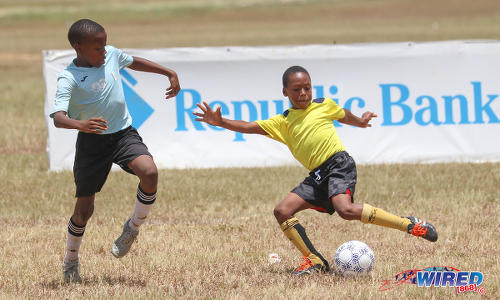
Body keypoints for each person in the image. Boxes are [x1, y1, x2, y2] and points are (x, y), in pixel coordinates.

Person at [193, 65, 438, 276]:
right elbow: (248, 126)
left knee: (346, 210)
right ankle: (315, 260)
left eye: (307, 87)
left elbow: (344, 115)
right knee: (282, 211)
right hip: (318, 175)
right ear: (285, 92)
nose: (303, 93)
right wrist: (221, 122)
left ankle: (409, 224)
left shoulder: (323, 105)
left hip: (338, 163)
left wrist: (361, 122)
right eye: (297, 89)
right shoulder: (283, 122)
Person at [49, 19, 180, 283]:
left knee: (150, 172)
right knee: (84, 210)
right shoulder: (69, 77)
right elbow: (58, 117)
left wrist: (169, 72)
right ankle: (71, 259)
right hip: (92, 143)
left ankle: (132, 229)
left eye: (105, 44)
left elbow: (133, 61)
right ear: (78, 47)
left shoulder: (111, 56)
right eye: (98, 48)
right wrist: (81, 124)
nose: (104, 51)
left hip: (122, 133)